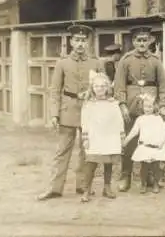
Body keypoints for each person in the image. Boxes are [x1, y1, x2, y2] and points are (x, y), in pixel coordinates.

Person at [37, 24, 105, 201]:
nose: (80, 44)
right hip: (67, 110)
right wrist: (54, 114)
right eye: (77, 40)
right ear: (71, 42)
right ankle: (54, 188)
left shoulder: (96, 63)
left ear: (88, 42)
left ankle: (82, 185)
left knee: (86, 149)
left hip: (89, 110)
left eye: (83, 40)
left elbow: (104, 86)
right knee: (62, 150)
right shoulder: (62, 63)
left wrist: (95, 96)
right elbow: (55, 90)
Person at [114, 26, 165, 192]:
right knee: (130, 142)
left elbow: (163, 86)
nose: (142, 43)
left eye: (145, 40)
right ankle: (126, 175)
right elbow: (119, 85)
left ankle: (151, 177)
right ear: (133, 41)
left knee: (151, 141)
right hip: (131, 106)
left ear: (149, 41)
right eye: (138, 40)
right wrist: (122, 104)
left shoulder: (155, 61)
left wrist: (164, 106)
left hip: (151, 108)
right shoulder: (126, 60)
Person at [79, 71, 125, 202]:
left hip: (110, 136)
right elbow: (84, 121)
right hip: (95, 136)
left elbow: (118, 120)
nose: (100, 89)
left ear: (107, 88)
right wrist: (85, 138)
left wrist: (121, 135)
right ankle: (86, 190)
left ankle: (107, 187)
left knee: (108, 162)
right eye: (97, 86)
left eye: (102, 86)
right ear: (92, 88)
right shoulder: (88, 104)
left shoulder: (113, 103)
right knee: (91, 163)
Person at [122, 93, 165, 194]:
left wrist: (162, 142)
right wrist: (126, 140)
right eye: (145, 107)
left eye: (150, 107)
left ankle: (156, 184)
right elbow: (134, 131)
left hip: (156, 147)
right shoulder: (140, 119)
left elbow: (163, 131)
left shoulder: (158, 118)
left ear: (154, 107)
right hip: (144, 146)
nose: (147, 109)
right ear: (142, 107)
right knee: (144, 167)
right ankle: (143, 184)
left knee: (156, 167)